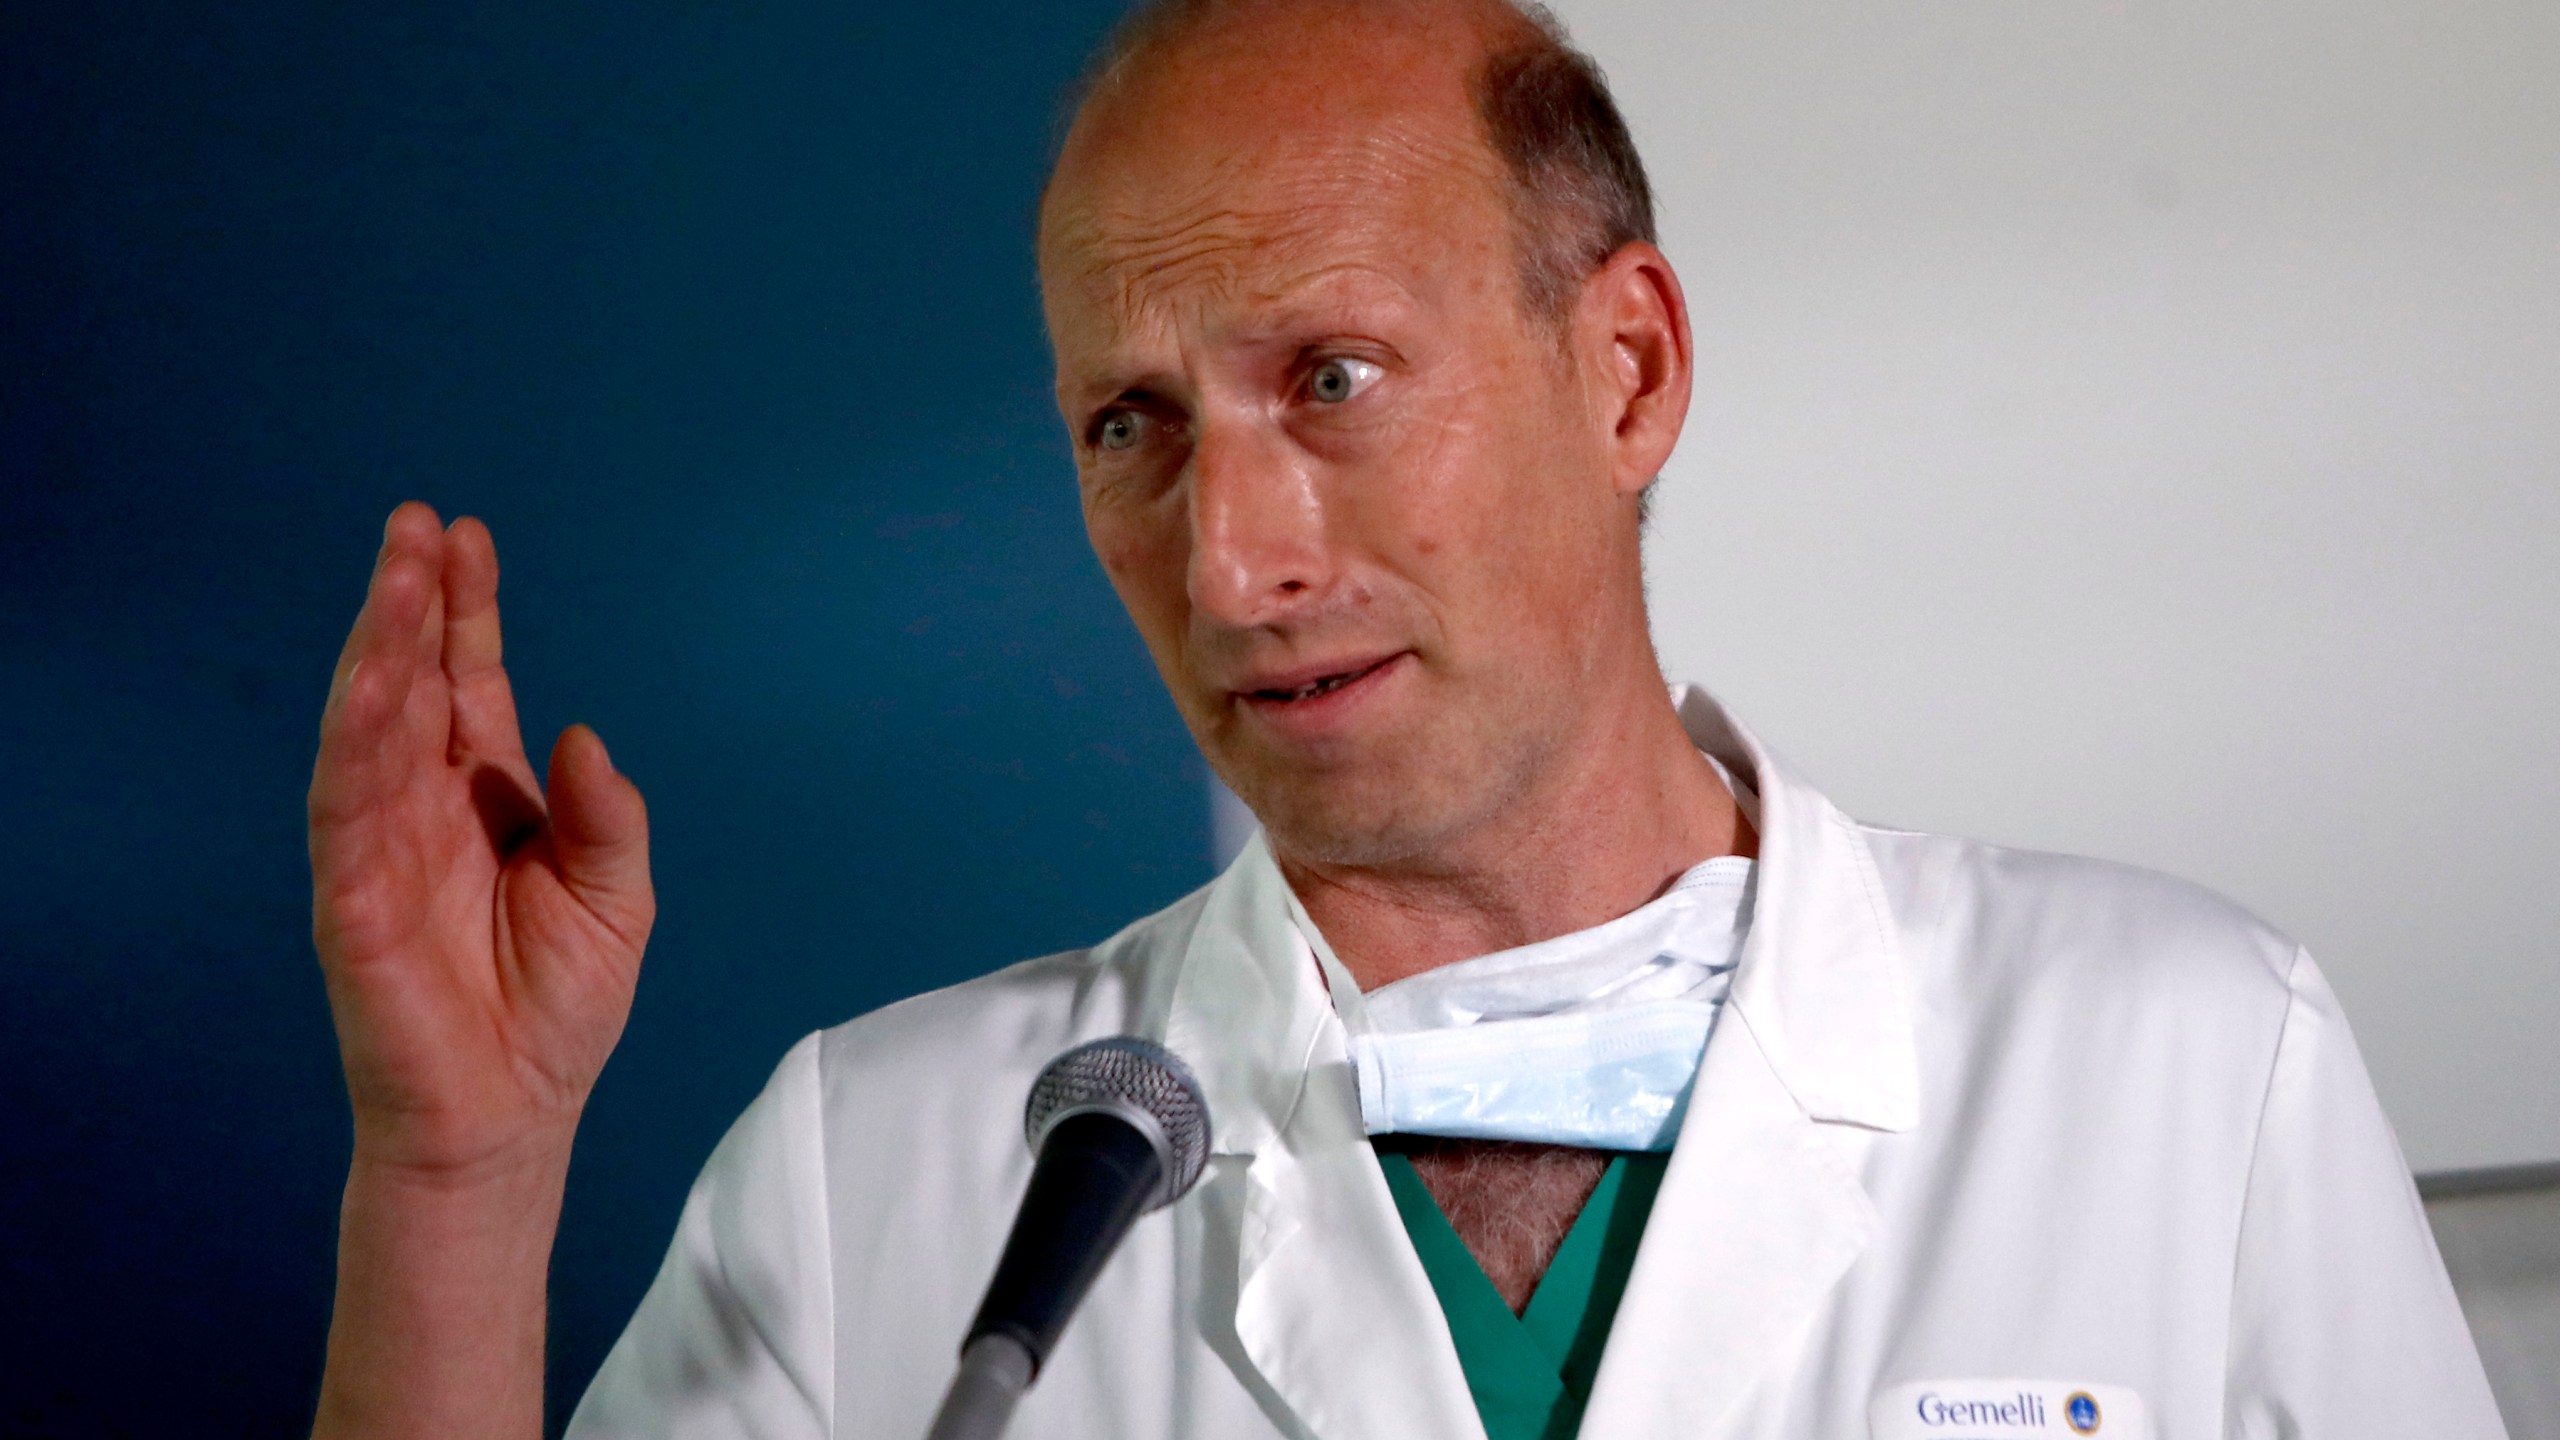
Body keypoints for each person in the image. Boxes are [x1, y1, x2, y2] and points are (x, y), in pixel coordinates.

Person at [303, 1, 2507, 1437]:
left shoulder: (2179, 1065)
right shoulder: (879, 1173)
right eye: (1126, 427)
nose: (1227, 559)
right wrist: (462, 1179)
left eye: (1326, 380)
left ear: (1623, 370)